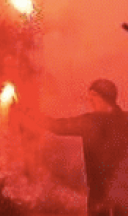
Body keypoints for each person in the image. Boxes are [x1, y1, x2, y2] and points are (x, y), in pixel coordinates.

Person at [37, 79, 128, 216]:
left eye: (92, 96)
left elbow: (57, 127)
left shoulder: (91, 121)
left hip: (99, 192)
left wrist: (29, 113)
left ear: (101, 97)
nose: (89, 101)